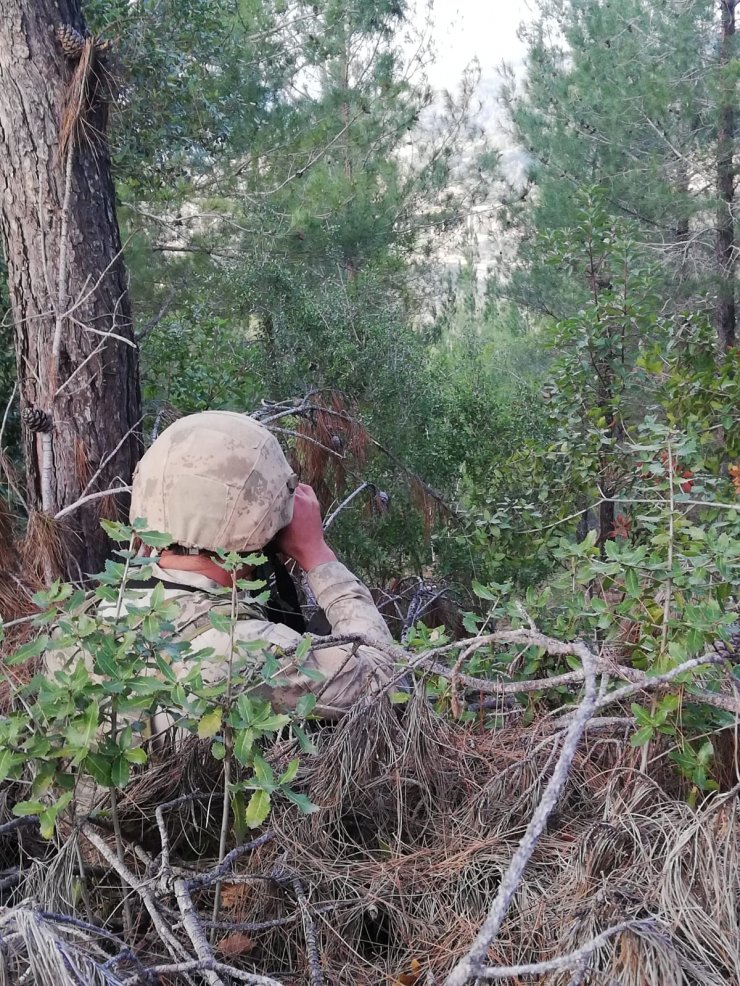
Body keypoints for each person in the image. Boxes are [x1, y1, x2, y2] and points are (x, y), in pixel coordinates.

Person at [119, 410, 395, 723]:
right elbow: (383, 680)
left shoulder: (99, 618)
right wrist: (317, 554)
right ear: (261, 524)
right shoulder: (245, 648)